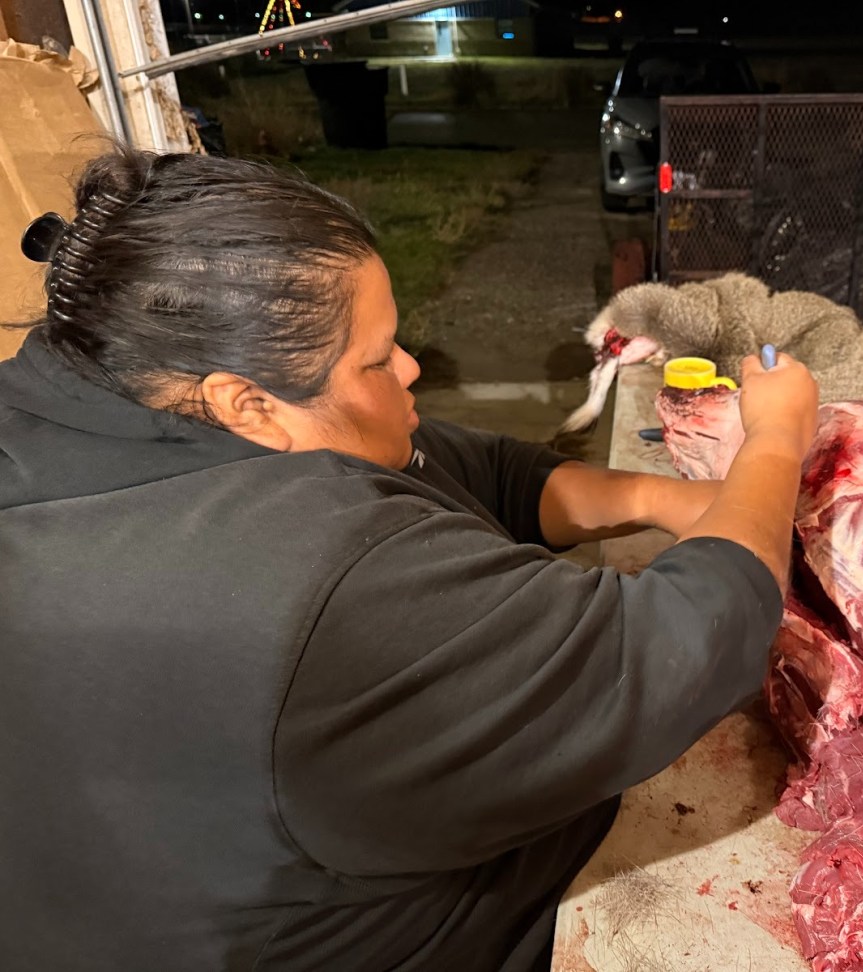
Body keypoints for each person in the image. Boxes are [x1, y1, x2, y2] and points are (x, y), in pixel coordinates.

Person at [0, 148, 819, 971]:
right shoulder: (312, 580)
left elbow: (466, 466)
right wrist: (776, 440)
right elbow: (681, 643)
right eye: (379, 358)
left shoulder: (106, 387)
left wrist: (663, 501)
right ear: (244, 401)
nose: (413, 369)